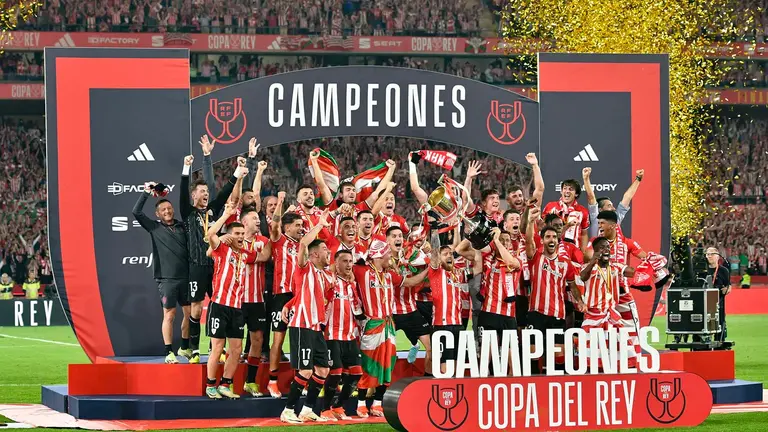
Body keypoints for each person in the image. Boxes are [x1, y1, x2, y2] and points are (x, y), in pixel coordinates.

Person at [353, 239, 427, 417]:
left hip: (388, 324)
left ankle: (377, 403)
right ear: (379, 256)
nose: (390, 257)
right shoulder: (361, 271)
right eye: (387, 254)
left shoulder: (389, 275)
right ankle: (361, 403)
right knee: (369, 364)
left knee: (388, 363)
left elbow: (410, 282)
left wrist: (429, 270)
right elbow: (343, 263)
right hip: (371, 324)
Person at [180, 150, 240, 364]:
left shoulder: (213, 210)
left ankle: (215, 347)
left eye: (207, 191)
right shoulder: (187, 212)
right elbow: (182, 190)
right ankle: (195, 350)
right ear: (194, 195)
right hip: (197, 266)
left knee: (218, 305)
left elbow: (225, 192)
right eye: (202, 191)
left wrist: (238, 172)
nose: (206, 194)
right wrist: (186, 167)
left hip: (216, 267)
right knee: (196, 309)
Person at [278, 215, 333, 423]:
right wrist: (319, 224)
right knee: (306, 370)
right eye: (325, 250)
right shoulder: (304, 267)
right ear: (315, 254)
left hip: (316, 327)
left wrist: (288, 304)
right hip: (301, 325)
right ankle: (288, 410)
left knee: (323, 369)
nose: (329, 253)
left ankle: (307, 409)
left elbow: (304, 295)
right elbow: (303, 244)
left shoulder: (325, 275)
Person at [133, 184, 191, 364]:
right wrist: (146, 192)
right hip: (167, 280)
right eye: (163, 210)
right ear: (157, 214)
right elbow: (136, 212)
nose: (167, 211)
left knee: (190, 314)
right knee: (170, 315)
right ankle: (169, 352)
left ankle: (185, 347)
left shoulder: (182, 226)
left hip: (186, 277)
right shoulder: (154, 227)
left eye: (169, 208)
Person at [525, 207, 584, 373]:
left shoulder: (565, 263)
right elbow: (528, 242)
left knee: (558, 354)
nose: (551, 239)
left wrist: (580, 301)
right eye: (547, 237)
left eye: (554, 237)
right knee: (533, 353)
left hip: (557, 314)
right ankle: (534, 383)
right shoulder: (535, 257)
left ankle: (557, 382)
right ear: (542, 240)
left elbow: (572, 285)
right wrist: (530, 222)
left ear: (558, 241)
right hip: (536, 313)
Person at [204, 203, 251, 399]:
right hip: (219, 305)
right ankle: (210, 385)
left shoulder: (245, 255)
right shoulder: (222, 249)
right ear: (230, 236)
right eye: (237, 233)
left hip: (237, 308)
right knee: (217, 347)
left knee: (237, 349)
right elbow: (210, 235)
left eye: (242, 234)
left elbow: (264, 254)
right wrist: (226, 216)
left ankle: (225, 383)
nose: (240, 237)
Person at [321, 249, 365, 420]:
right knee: (336, 373)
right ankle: (325, 409)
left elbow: (357, 310)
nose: (348, 265)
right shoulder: (330, 281)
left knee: (356, 373)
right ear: (336, 264)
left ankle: (338, 406)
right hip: (332, 336)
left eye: (350, 261)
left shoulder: (351, 286)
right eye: (344, 261)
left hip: (349, 336)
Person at [579, 237, 635, 368]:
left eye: (608, 247)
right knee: (591, 358)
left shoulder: (615, 267)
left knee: (625, 355)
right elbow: (582, 277)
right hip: (593, 317)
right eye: (602, 247)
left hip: (612, 316)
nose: (606, 250)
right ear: (595, 251)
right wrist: (592, 261)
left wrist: (648, 267)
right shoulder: (588, 268)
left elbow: (632, 272)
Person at [240, 207, 273, 397]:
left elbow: (266, 256)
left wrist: (246, 255)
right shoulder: (234, 239)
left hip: (257, 300)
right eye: (254, 218)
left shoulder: (263, 241)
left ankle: (250, 381)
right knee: (235, 343)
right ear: (244, 222)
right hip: (237, 299)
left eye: (258, 218)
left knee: (258, 340)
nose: (258, 220)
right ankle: (226, 382)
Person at [426, 226, 464, 372]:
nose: (449, 256)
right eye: (445, 254)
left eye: (451, 254)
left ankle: (455, 386)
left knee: (456, 363)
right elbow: (435, 252)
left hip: (458, 324)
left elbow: (477, 266)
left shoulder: (458, 274)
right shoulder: (436, 272)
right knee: (444, 366)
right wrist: (435, 232)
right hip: (442, 325)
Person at [582, 167, 644, 238]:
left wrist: (638, 179)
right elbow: (591, 197)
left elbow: (627, 197)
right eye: (609, 206)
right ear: (600, 210)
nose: (613, 208)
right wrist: (586, 179)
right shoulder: (595, 218)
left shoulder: (616, 218)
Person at [543, 179, 590, 250]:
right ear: (561, 191)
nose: (567, 191)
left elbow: (584, 234)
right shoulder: (550, 206)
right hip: (553, 249)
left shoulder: (583, 211)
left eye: (571, 189)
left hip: (574, 250)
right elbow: (543, 228)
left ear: (576, 194)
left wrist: (583, 252)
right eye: (565, 188)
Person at [705, 247, 731, 341]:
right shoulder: (702, 270)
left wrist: (727, 290)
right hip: (703, 303)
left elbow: (728, 286)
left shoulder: (724, 270)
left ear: (718, 256)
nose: (709, 256)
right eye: (708, 254)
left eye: (712, 254)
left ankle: (719, 344)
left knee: (719, 327)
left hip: (718, 303)